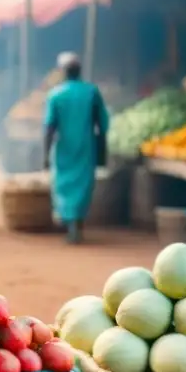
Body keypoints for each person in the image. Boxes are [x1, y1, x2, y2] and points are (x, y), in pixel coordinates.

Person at [44, 52, 108, 245]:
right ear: (80, 70)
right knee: (82, 185)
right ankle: (76, 225)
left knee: (63, 185)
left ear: (63, 72)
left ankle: (70, 223)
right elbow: (102, 124)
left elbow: (49, 127)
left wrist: (46, 154)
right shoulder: (91, 91)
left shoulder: (56, 94)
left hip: (63, 147)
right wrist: (103, 151)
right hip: (86, 147)